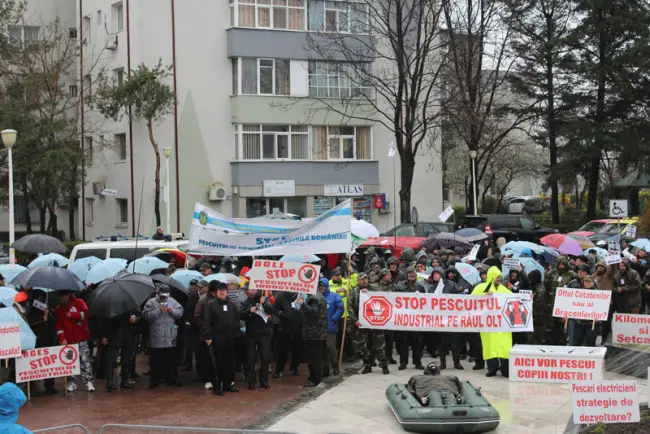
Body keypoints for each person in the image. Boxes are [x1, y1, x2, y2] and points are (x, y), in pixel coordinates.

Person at [471, 267, 512, 378]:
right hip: (488, 324)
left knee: (504, 348)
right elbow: (471, 301)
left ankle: (506, 370)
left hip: (502, 325)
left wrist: (527, 297)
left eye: (499, 276)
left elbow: (515, 300)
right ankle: (492, 369)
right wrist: (484, 296)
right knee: (490, 347)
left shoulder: (504, 289)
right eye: (496, 276)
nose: (499, 278)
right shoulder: (481, 288)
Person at [143, 284, 184, 389]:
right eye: (162, 296)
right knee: (156, 360)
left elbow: (180, 313)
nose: (164, 298)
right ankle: (155, 380)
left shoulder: (173, 301)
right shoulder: (151, 302)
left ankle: (172, 378)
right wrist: (159, 310)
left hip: (171, 335)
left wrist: (172, 311)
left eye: (165, 296)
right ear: (158, 293)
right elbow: (147, 317)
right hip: (157, 335)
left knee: (171, 359)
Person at [203, 281, 240, 396]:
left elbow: (236, 319)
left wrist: (236, 331)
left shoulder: (231, 305)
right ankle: (217, 386)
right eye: (220, 291)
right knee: (218, 362)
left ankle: (227, 384)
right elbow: (207, 322)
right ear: (217, 292)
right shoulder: (211, 304)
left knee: (229, 361)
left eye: (224, 291)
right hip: (217, 337)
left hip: (230, 337)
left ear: (227, 292)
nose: (222, 292)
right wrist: (208, 336)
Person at [349, 272, 389, 375]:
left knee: (379, 345)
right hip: (362, 323)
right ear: (358, 280)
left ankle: (384, 365)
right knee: (364, 346)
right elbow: (349, 307)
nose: (364, 281)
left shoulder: (374, 288)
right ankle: (367, 365)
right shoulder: (354, 291)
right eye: (362, 279)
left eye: (366, 278)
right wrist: (355, 320)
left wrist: (370, 294)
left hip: (375, 321)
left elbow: (384, 299)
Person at [55, 290, 95, 392]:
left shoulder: (80, 302)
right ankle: (71, 382)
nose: (61, 299)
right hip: (68, 342)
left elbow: (86, 314)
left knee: (85, 361)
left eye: (62, 296)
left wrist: (73, 315)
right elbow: (59, 326)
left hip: (81, 338)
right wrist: (62, 338)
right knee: (69, 363)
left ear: (68, 295)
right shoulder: (58, 309)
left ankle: (88, 381)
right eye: (59, 297)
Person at [240, 287, 274, 390]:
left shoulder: (264, 298)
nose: (251, 291)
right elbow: (240, 315)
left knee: (264, 357)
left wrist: (264, 303)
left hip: (264, 334)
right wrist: (249, 311)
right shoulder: (246, 302)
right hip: (251, 334)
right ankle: (251, 381)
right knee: (250, 358)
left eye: (253, 289)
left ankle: (264, 380)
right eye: (249, 290)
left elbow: (272, 311)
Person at [101, 310, 139, 392]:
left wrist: (135, 319)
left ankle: (125, 380)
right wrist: (104, 336)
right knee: (111, 359)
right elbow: (104, 320)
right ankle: (110, 382)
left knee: (127, 358)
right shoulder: (110, 306)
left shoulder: (130, 306)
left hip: (128, 334)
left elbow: (138, 315)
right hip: (113, 335)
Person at [27, 291, 57, 395]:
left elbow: (54, 321)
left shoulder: (48, 308)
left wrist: (48, 314)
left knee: (49, 365)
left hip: (48, 340)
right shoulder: (30, 309)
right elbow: (30, 323)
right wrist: (42, 319)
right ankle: (32, 386)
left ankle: (49, 385)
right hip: (36, 340)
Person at [395, 268, 424, 370]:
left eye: (413, 273)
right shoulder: (399, 286)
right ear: (406, 274)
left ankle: (417, 362)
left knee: (418, 343)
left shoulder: (420, 287)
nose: (412, 275)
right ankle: (403, 363)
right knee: (403, 342)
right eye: (410, 273)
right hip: (404, 319)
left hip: (416, 319)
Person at [273, 291, 304, 378]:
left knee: (298, 349)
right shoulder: (282, 295)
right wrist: (281, 314)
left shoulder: (304, 295)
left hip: (300, 325)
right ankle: (279, 370)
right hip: (285, 325)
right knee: (282, 349)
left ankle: (294, 368)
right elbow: (274, 308)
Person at [302, 289, 328, 387]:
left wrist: (303, 304)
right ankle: (314, 377)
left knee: (314, 358)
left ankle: (315, 379)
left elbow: (314, 312)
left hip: (314, 333)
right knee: (315, 357)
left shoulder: (314, 298)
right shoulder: (319, 296)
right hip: (317, 332)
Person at [319, 278, 344, 377]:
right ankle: (324, 370)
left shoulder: (334, 296)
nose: (322, 288)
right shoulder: (317, 297)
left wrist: (334, 318)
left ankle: (335, 366)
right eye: (320, 286)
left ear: (326, 286)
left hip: (330, 326)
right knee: (322, 350)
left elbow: (340, 308)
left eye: (323, 286)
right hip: (319, 327)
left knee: (330, 348)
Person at [568, 276, 600, 346]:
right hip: (579, 323)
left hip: (591, 324)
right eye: (586, 281)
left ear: (593, 283)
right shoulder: (579, 292)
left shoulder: (599, 294)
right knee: (576, 343)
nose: (587, 283)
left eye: (589, 281)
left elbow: (602, 308)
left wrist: (599, 317)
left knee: (590, 343)